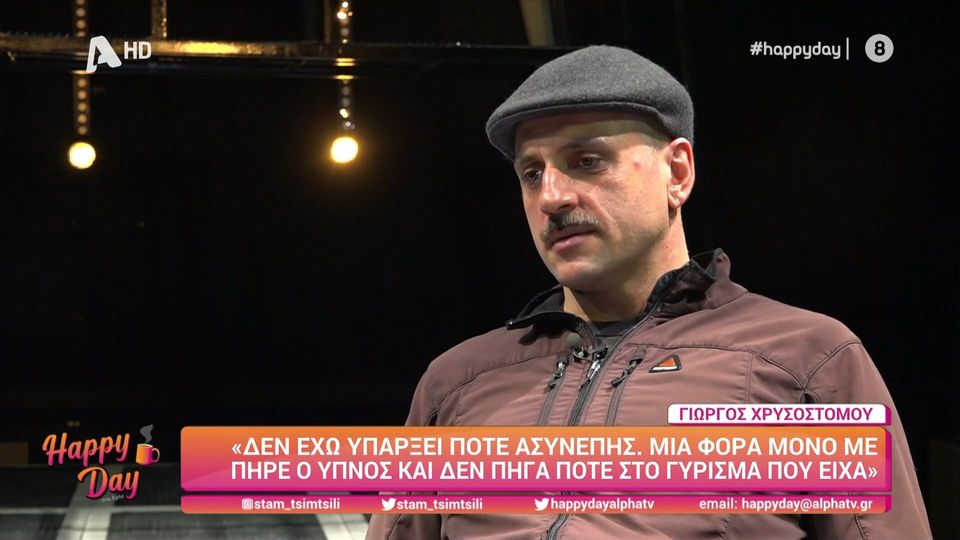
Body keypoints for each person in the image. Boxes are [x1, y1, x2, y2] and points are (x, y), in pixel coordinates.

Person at [365, 45, 931, 540]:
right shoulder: (456, 383)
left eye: (587, 161)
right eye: (532, 173)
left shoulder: (805, 359)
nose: (552, 197)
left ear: (677, 172)